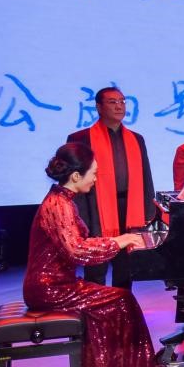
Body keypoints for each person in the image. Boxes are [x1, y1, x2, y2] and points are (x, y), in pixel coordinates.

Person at [25, 143, 165, 367]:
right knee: (121, 300)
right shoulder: (58, 205)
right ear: (75, 176)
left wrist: (118, 240)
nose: (96, 179)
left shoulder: (62, 200)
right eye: (94, 174)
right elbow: (77, 251)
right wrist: (117, 242)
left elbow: (77, 246)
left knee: (119, 299)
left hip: (58, 284)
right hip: (49, 288)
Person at [66, 87, 155, 290]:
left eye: (122, 102)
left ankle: (122, 308)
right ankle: (95, 308)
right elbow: (74, 181)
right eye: (112, 102)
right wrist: (81, 217)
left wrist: (149, 212)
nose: (119, 106)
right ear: (98, 107)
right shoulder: (81, 138)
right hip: (96, 209)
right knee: (96, 268)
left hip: (129, 209)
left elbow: (146, 176)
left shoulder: (137, 139)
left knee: (126, 268)